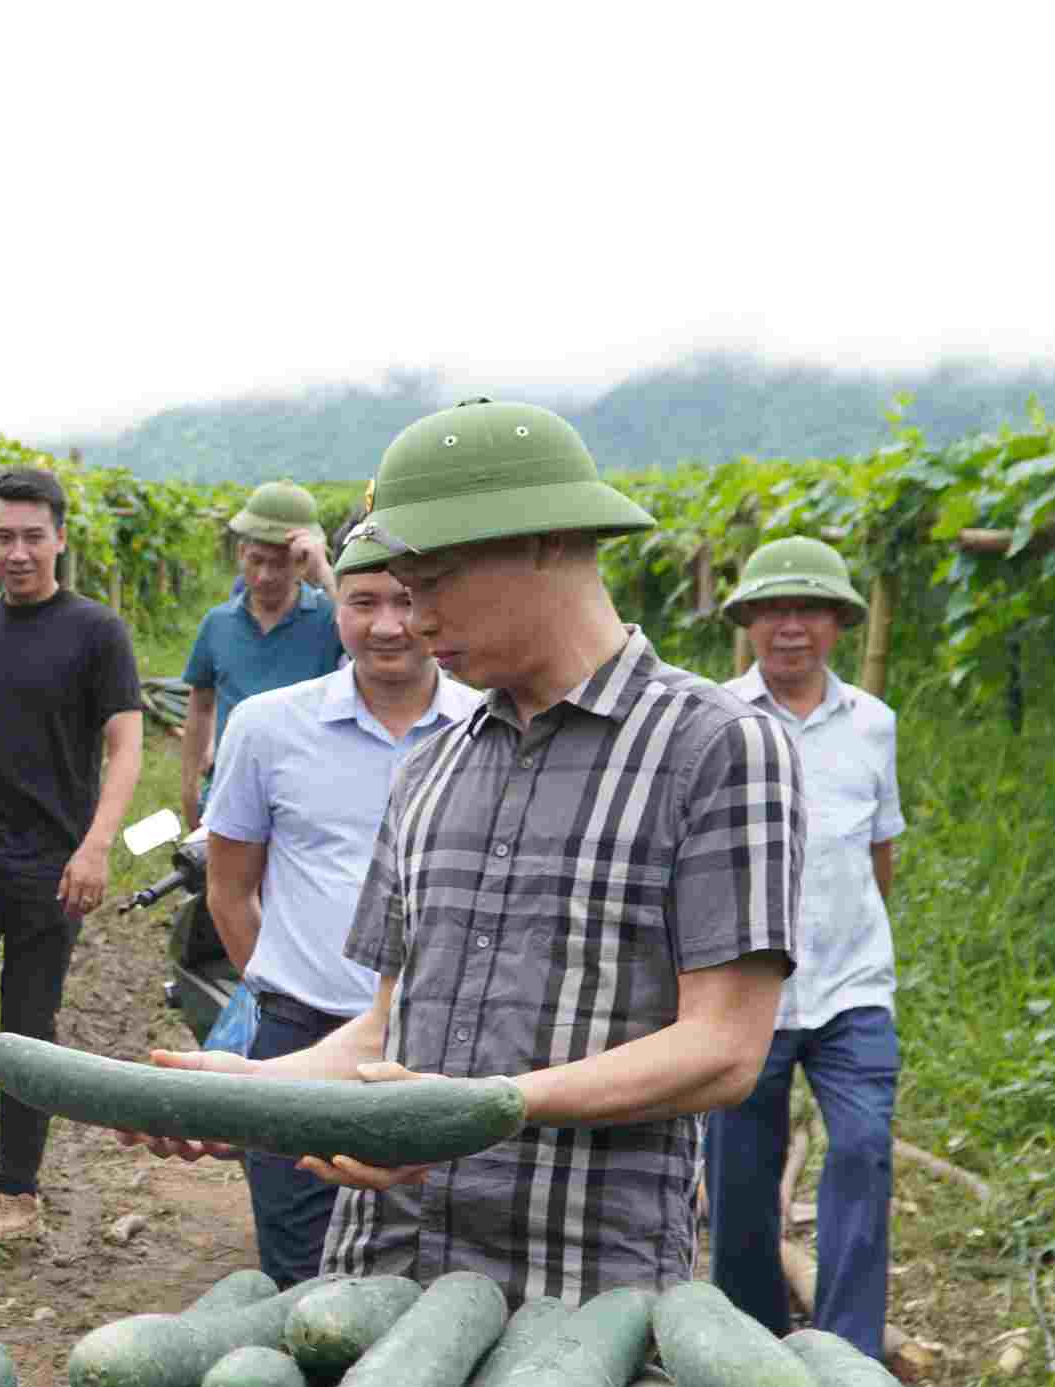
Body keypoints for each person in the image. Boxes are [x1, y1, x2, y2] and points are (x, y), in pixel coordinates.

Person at [120, 401, 804, 1304]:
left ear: (548, 542)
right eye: (398, 584)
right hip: (381, 1273)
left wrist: (480, 1111)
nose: (416, 615)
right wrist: (250, 1089)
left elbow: (722, 1048)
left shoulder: (717, 749)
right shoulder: (431, 768)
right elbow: (386, 1027)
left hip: (580, 1295)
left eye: (434, 581)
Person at [201, 540, 481, 1284]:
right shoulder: (266, 728)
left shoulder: (491, 727)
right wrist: (281, 984)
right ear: (335, 612)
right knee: (300, 1262)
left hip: (438, 1040)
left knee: (439, 1256)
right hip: (300, 1033)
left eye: (405, 601)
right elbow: (229, 888)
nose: (387, 625)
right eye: (364, 604)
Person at [0, 466, 146, 1244]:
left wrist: (96, 846)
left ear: (60, 541)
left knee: (29, 1020)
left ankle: (16, 1187)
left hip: (55, 857)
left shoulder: (95, 632)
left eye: (32, 537)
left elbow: (124, 748)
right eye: (3, 536)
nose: (18, 551)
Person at [705, 535, 903, 1356]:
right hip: (747, 993)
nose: (792, 627)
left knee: (863, 1148)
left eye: (810, 609)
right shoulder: (713, 719)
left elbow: (880, 849)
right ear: (748, 621)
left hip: (853, 986)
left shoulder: (872, 724)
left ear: (838, 624)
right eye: (775, 610)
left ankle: (849, 1351)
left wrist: (847, 932)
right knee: (740, 1178)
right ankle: (755, 1345)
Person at [177, 480, 340, 829]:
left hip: (308, 797)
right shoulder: (217, 624)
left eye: (281, 563)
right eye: (256, 561)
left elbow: (372, 649)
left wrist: (325, 574)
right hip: (229, 794)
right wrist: (190, 790)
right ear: (240, 555)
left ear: (300, 564)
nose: (265, 576)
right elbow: (201, 707)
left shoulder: (330, 619)